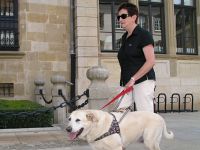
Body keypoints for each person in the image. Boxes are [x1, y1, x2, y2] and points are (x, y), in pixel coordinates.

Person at [117, 2, 156, 112]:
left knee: (145, 116)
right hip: (126, 83)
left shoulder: (144, 35)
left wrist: (133, 79)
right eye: (119, 17)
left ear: (134, 17)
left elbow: (151, 61)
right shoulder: (124, 37)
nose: (120, 19)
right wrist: (127, 81)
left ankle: (156, 130)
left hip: (143, 81)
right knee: (120, 112)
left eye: (123, 16)